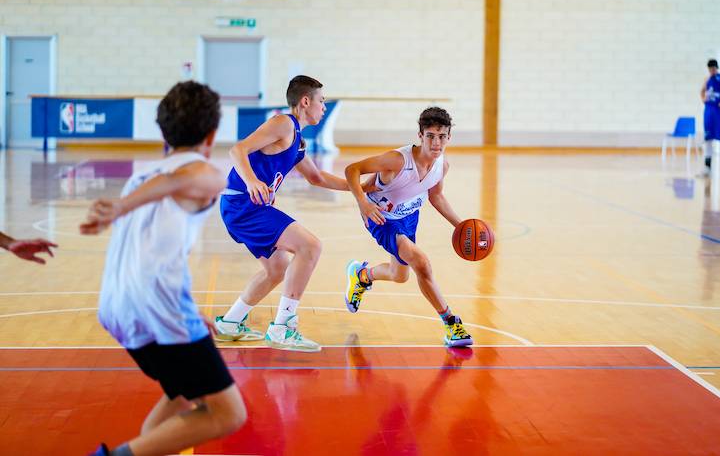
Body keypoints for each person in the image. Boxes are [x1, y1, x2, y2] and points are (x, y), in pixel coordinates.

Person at [82, 81, 246, 456]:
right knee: (228, 414)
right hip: (157, 306)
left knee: (182, 397)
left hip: (118, 305)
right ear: (212, 135)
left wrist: (190, 310)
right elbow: (182, 179)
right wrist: (122, 207)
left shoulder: (139, 176)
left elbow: (150, 247)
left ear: (163, 134)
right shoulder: (206, 173)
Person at [213, 75, 352, 352]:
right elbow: (237, 150)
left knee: (277, 270)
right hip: (242, 204)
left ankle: (230, 323)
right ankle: (282, 328)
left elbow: (316, 177)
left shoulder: (298, 140)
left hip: (248, 207)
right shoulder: (283, 123)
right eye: (321, 101)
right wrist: (252, 181)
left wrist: (360, 188)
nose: (324, 107)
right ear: (305, 101)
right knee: (310, 246)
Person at [343, 107, 473, 348]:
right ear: (420, 135)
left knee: (399, 275)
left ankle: (361, 276)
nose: (436, 142)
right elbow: (352, 170)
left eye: (442, 136)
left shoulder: (441, 165)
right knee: (421, 263)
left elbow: (436, 196)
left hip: (409, 216)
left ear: (449, 137)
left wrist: (461, 226)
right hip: (381, 217)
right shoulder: (398, 160)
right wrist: (362, 202)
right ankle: (451, 323)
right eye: (430, 136)